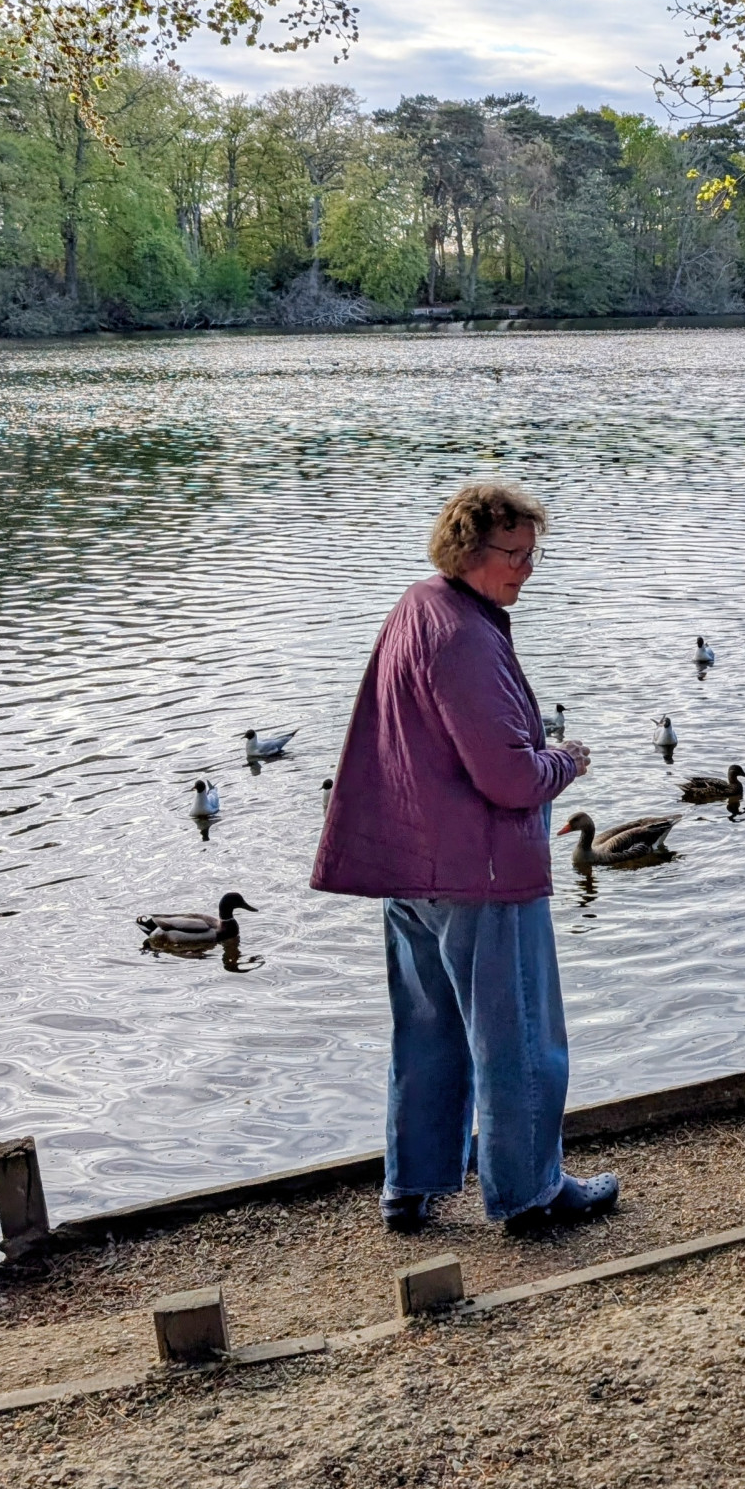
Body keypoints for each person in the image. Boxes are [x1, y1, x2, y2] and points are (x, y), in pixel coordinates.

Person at [312, 479, 620, 1235]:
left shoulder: (419, 606)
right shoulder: (465, 637)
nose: (525, 570)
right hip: (479, 875)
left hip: (410, 867)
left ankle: (408, 1188)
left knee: (427, 1034)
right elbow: (510, 779)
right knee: (517, 1038)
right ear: (468, 550)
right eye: (512, 554)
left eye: (531, 555)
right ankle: (529, 1194)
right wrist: (566, 761)